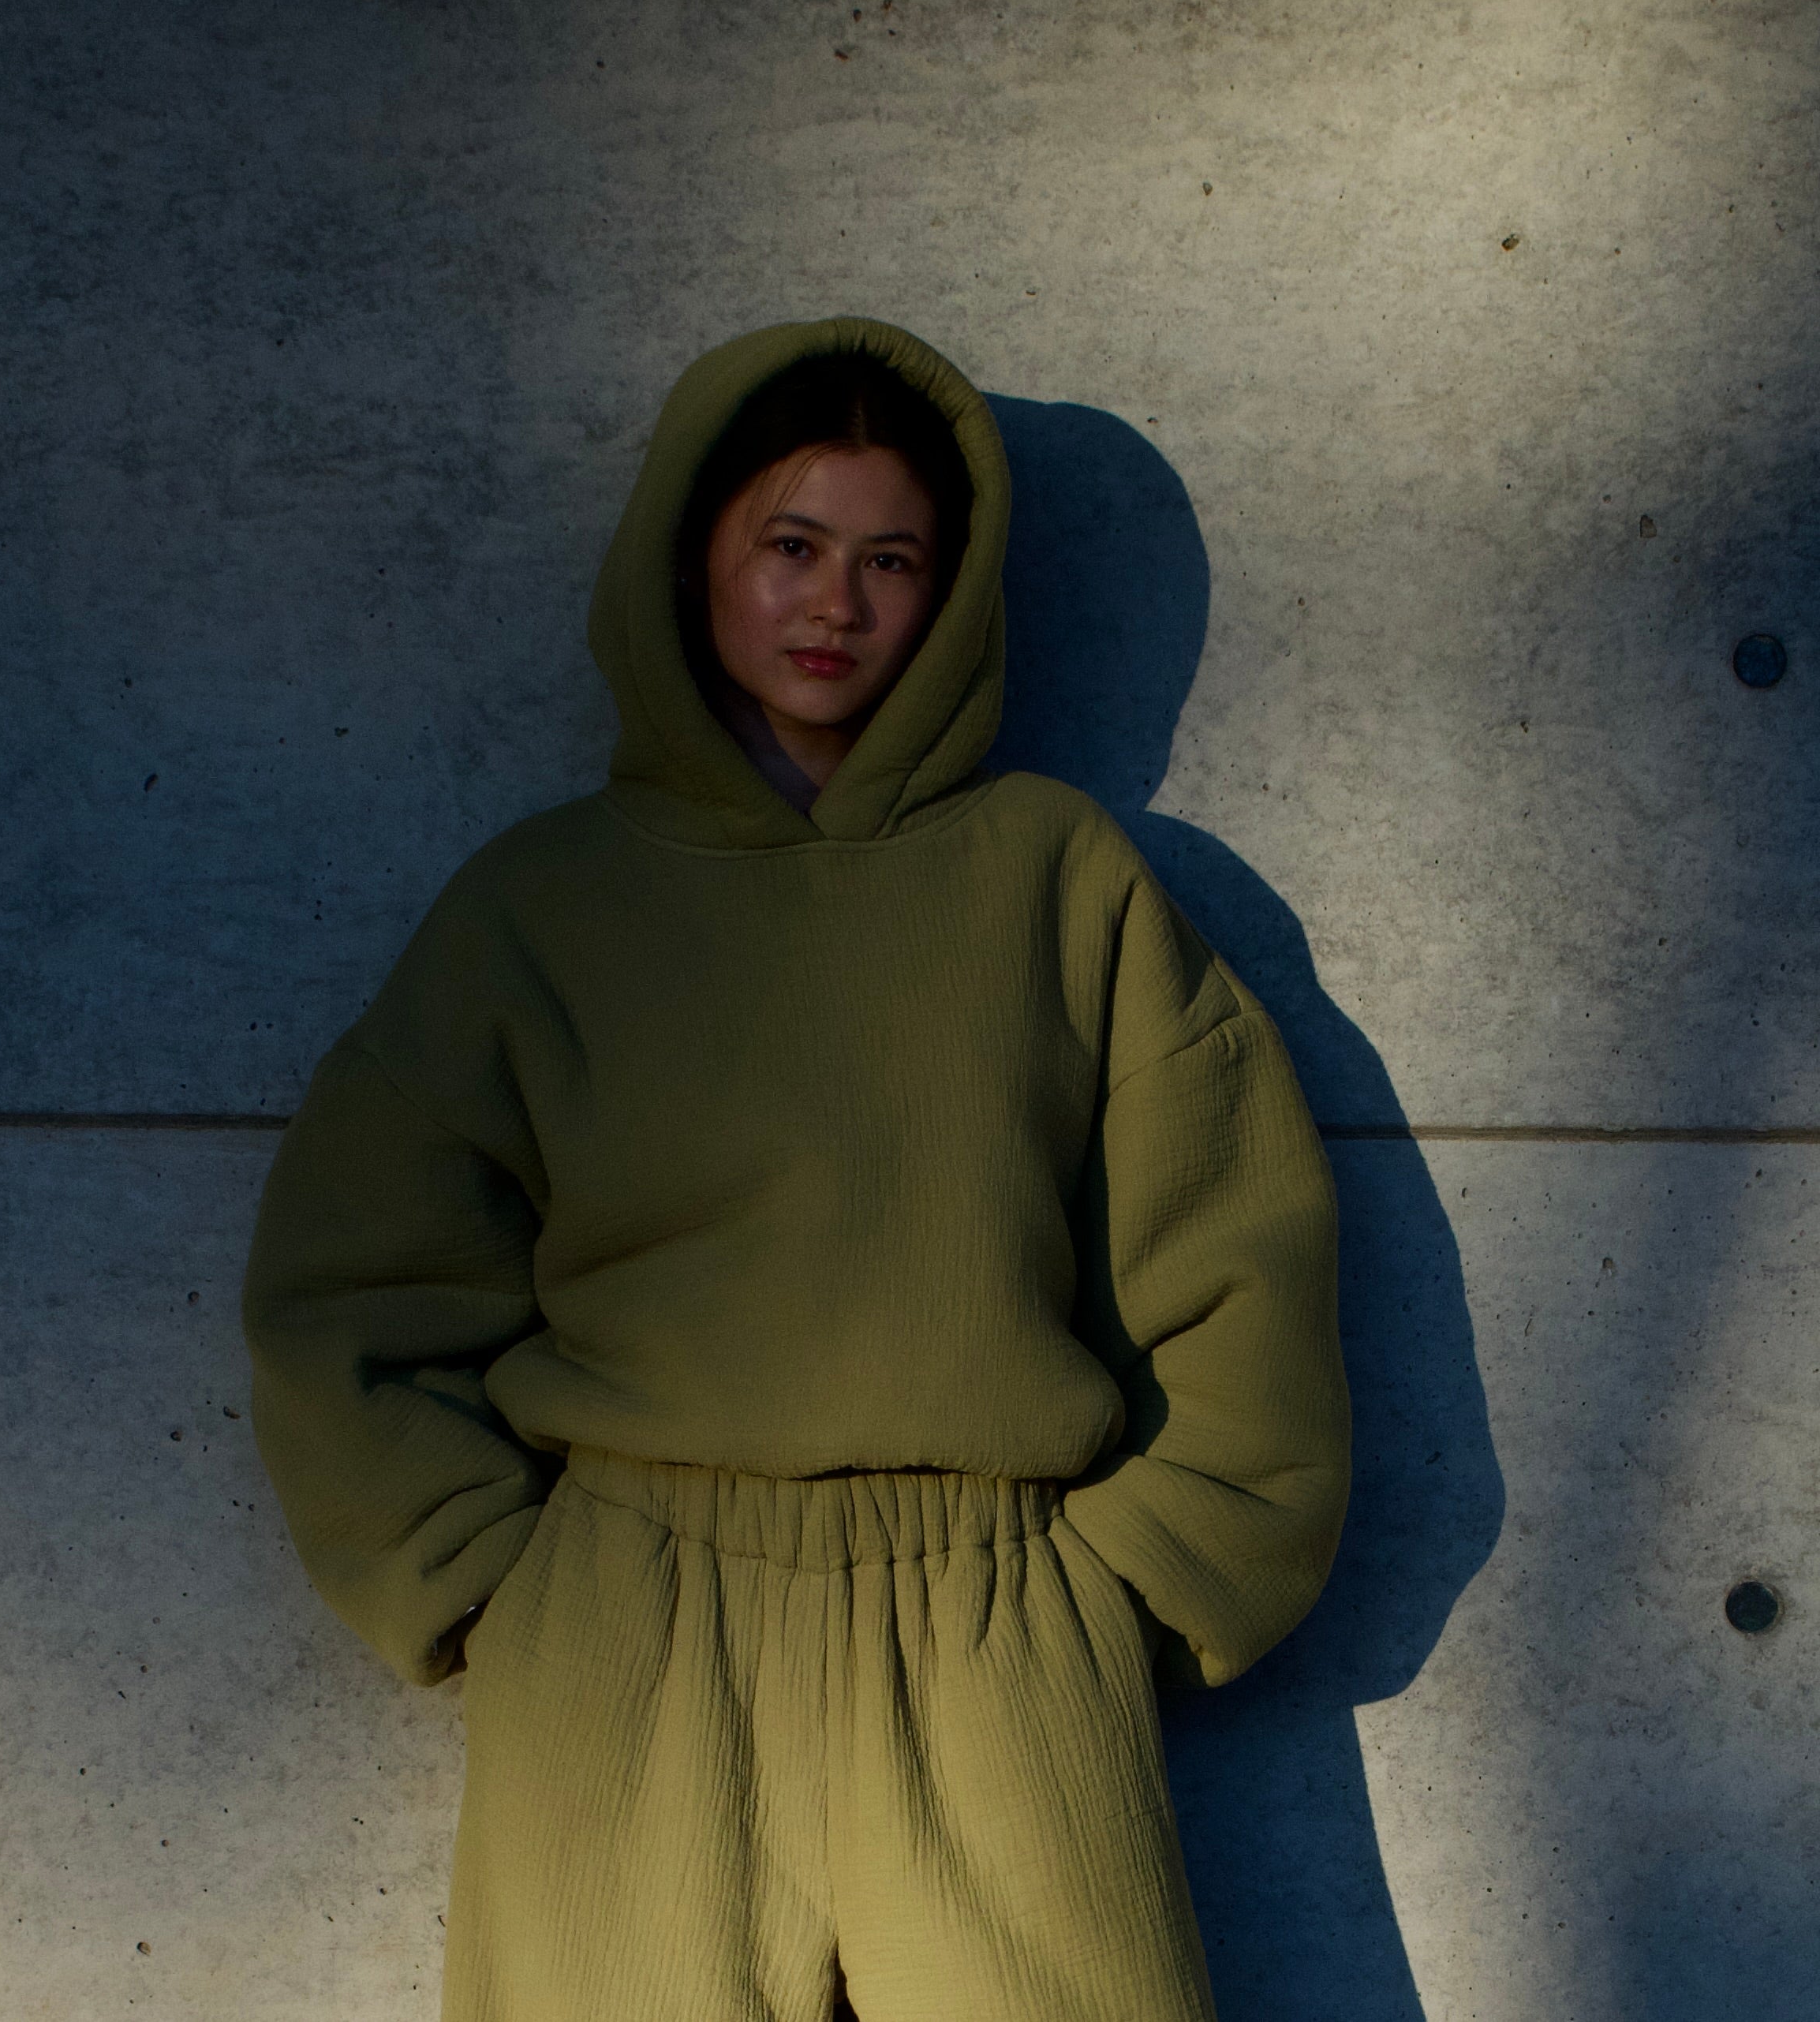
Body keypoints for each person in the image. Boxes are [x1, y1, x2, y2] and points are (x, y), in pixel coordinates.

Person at [242, 316, 1349, 2022]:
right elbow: (357, 1274)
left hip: (999, 1622)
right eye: (793, 546)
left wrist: (1147, 1579)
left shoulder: (1056, 879)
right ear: (696, 562)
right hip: (629, 1630)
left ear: (954, 593)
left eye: (891, 559)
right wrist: (483, 1578)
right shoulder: (545, 906)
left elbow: (1236, 1249)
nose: (836, 604)